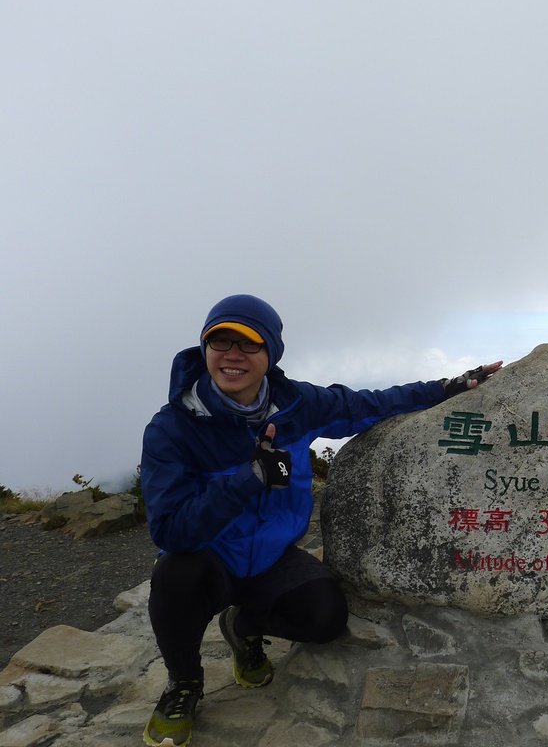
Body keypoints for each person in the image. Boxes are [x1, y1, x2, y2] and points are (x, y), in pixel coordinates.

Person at [140, 294, 501, 747]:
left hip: (272, 556)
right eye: (220, 342)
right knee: (173, 577)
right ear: (205, 349)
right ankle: (184, 683)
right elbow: (171, 531)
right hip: (208, 558)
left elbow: (366, 404)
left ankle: (244, 626)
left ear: (270, 353)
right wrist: (248, 478)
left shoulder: (297, 404)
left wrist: (446, 389)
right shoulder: (173, 428)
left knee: (325, 618)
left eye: (248, 344)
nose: (232, 355)